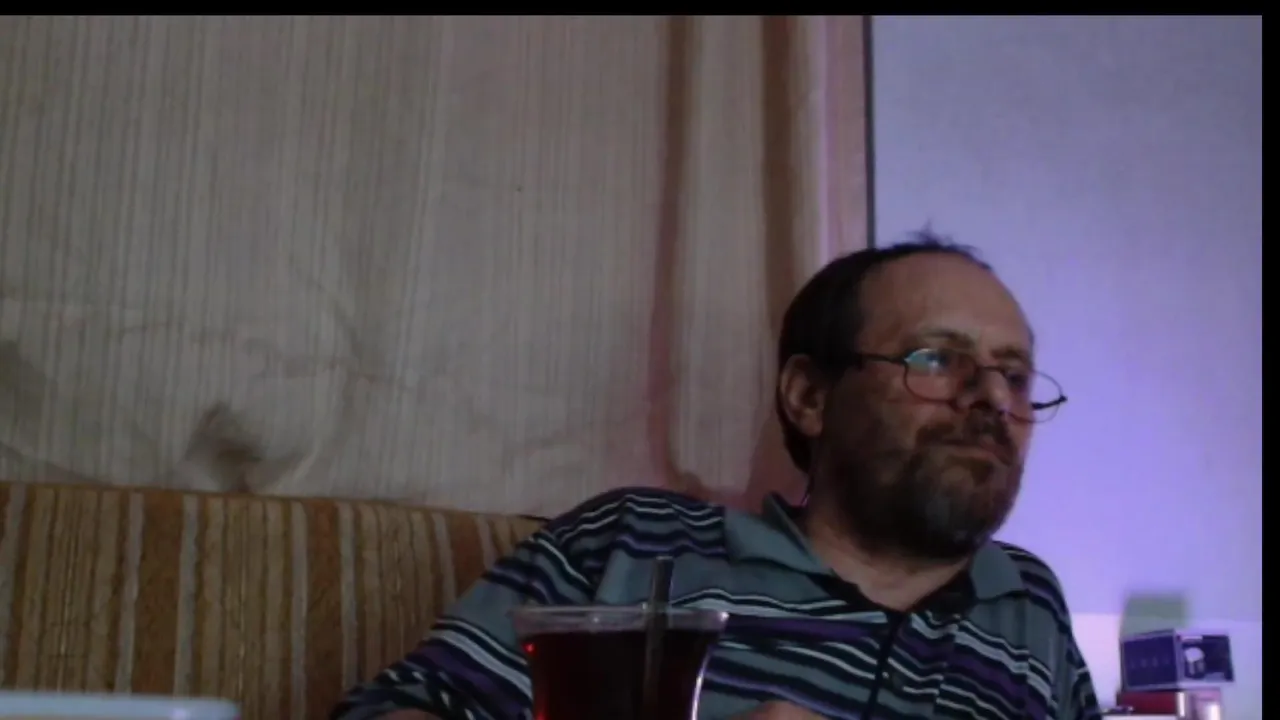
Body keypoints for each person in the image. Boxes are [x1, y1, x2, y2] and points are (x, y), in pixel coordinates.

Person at [331, 232, 1103, 720]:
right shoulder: (636, 545)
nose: (992, 399)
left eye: (1013, 373)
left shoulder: (1028, 606)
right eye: (935, 359)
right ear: (809, 397)